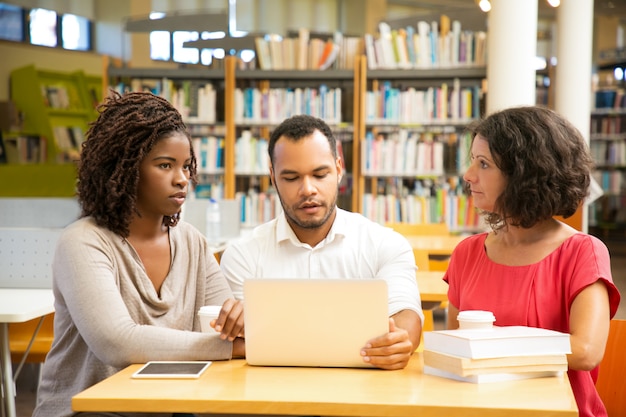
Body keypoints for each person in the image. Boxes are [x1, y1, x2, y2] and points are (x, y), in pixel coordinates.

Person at [33, 91, 245, 417]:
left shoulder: (193, 243)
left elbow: (227, 329)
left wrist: (240, 322)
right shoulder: (83, 242)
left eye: (186, 166)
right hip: (85, 412)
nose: (182, 179)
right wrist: (229, 348)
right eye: (165, 165)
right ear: (125, 167)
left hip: (165, 408)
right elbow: (118, 343)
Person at [444, 106, 621, 417]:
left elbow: (586, 352)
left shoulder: (583, 251)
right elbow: (454, 348)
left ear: (525, 175)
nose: (468, 175)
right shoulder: (466, 253)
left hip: (556, 411)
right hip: (477, 407)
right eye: (472, 161)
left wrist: (485, 345)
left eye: (483, 164)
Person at [220, 114, 423, 370]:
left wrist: (399, 342)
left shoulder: (385, 244)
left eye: (319, 174)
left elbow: (407, 317)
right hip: (271, 399)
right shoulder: (242, 254)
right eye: (291, 178)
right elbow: (231, 341)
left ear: (339, 169)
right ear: (272, 177)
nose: (308, 190)